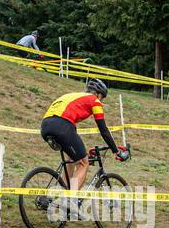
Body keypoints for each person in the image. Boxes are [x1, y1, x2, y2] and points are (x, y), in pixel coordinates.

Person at [41, 78, 129, 218]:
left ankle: (59, 195)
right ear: (99, 94)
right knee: (83, 163)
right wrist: (115, 150)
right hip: (62, 125)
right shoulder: (94, 101)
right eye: (102, 98)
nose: (102, 102)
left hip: (46, 125)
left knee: (72, 159)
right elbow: (103, 129)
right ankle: (71, 202)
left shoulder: (73, 96)